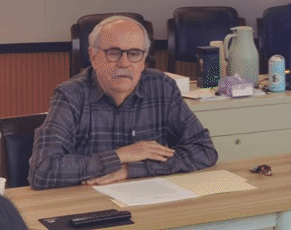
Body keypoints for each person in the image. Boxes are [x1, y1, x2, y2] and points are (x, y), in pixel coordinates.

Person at [28, 15, 218, 190]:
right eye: (113, 52)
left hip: (150, 198)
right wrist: (119, 155)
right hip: (89, 200)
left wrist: (131, 170)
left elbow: (204, 150)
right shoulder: (70, 95)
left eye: (134, 54)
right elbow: (43, 171)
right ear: (93, 56)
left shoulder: (162, 87)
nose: (124, 63)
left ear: (143, 61)